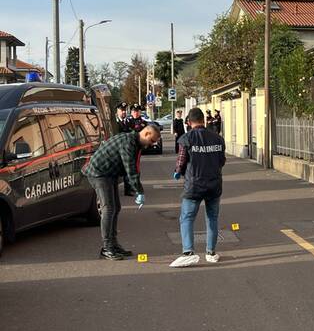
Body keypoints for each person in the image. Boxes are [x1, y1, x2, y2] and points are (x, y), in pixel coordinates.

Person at [83, 124, 161, 260]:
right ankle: (107, 248)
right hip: (99, 173)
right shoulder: (128, 143)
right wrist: (139, 191)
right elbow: (130, 169)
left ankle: (113, 245)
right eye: (152, 140)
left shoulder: (135, 143)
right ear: (146, 134)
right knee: (108, 209)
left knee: (115, 208)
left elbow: (132, 169)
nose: (151, 144)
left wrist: (135, 189)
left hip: (109, 174)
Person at [170, 107, 226, 268]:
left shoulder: (186, 139)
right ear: (203, 120)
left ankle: (188, 252)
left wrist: (177, 172)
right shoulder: (217, 138)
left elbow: (181, 161)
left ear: (188, 122)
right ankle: (211, 253)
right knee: (212, 218)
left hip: (194, 186)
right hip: (214, 184)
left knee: (187, 218)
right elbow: (222, 161)